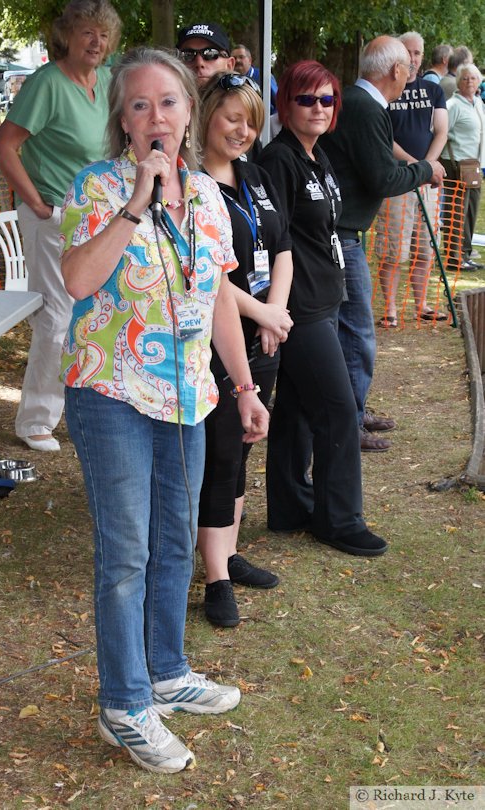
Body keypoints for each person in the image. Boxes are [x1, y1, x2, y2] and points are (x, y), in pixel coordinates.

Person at [60, 48, 269, 775]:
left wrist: (244, 388)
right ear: (123, 118)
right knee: (127, 554)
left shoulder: (210, 198)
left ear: (190, 110)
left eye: (169, 102)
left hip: (187, 395)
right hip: (111, 391)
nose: (156, 117)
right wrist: (135, 204)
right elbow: (80, 279)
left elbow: (214, 297)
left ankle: (165, 673)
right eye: (140, 104)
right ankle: (124, 705)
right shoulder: (98, 186)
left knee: (176, 541)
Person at [258, 60, 387, 557]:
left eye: (326, 99)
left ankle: (290, 507)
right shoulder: (279, 160)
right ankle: (340, 519)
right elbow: (275, 241)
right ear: (285, 103)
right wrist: (272, 309)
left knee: (296, 409)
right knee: (337, 409)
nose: (317, 108)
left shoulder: (317, 156)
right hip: (299, 308)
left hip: (324, 299)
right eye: (305, 99)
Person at [0, 0, 122, 452]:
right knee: (57, 315)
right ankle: (35, 421)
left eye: (103, 35)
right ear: (67, 35)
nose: (96, 42)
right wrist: (37, 204)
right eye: (87, 32)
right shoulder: (47, 82)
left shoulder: (106, 81)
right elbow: (4, 145)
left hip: (100, 216)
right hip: (55, 218)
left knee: (100, 313)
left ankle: (84, 407)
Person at [197, 72, 293, 627]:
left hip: (264, 334)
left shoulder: (256, 176)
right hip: (220, 335)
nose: (243, 130)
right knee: (223, 452)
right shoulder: (190, 185)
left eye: (252, 120)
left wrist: (274, 314)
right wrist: (260, 313)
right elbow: (205, 273)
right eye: (233, 117)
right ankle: (215, 580)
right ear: (207, 114)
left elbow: (281, 249)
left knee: (247, 446)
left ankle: (227, 553)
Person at [319, 36, 445, 452]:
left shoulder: (359, 102)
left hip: (341, 232)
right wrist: (426, 170)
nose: (411, 71)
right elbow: (383, 179)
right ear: (395, 71)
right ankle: (348, 422)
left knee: (352, 330)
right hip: (340, 236)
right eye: (408, 65)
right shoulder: (365, 106)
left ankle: (353, 412)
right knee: (357, 332)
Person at [375, 32, 448, 327]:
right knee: (393, 248)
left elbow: (441, 129)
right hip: (397, 179)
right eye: (408, 53)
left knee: (425, 246)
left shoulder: (433, 90)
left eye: (418, 52)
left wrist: (428, 166)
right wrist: (415, 165)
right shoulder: (386, 92)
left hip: (427, 181)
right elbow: (384, 136)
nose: (414, 58)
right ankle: (390, 309)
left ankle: (421, 304)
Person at [440, 63, 485, 272]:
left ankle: (465, 254)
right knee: (456, 212)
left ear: (479, 82)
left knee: (471, 211)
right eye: (465, 78)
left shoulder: (477, 103)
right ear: (458, 81)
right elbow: (440, 131)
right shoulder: (453, 105)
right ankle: (453, 257)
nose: (469, 81)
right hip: (456, 164)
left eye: (473, 78)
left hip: (474, 166)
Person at [176, 22, 235, 87]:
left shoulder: (246, 96)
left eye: (210, 54)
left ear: (229, 65)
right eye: (188, 55)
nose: (199, 63)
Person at [231, 44, 278, 113]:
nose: (237, 60)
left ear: (250, 60)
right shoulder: (229, 80)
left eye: (241, 57)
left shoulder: (264, 76)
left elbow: (279, 101)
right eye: (234, 58)